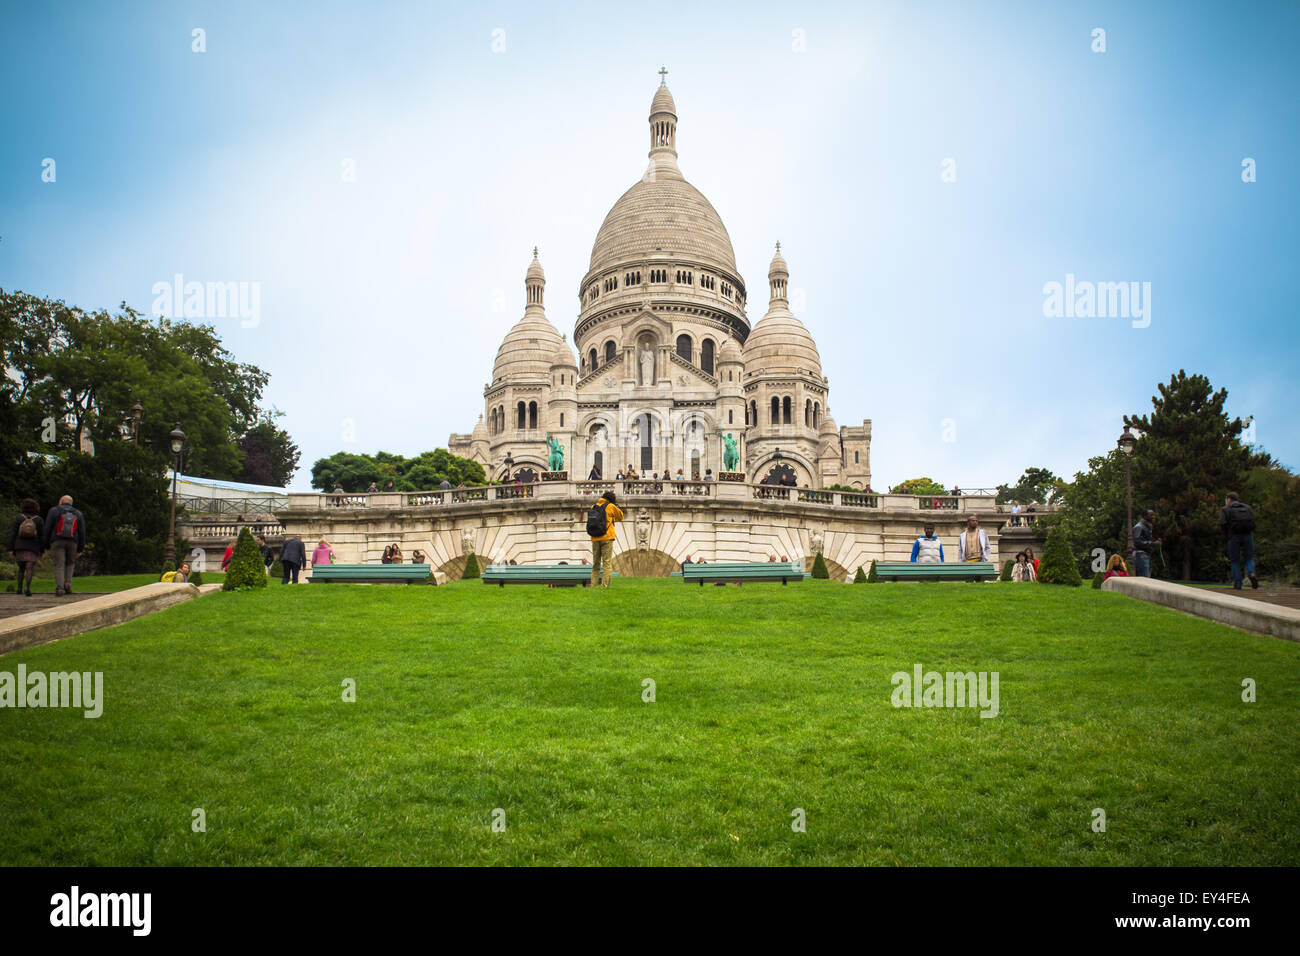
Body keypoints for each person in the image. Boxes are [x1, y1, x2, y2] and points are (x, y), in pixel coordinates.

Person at [43, 494, 86, 597]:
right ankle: (67, 583)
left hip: (57, 541)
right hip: (73, 542)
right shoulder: (78, 513)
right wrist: (80, 548)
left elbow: (47, 528)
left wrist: (46, 546)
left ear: (61, 501)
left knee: (59, 564)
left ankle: (60, 588)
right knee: (70, 563)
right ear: (71, 503)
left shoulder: (54, 511)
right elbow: (82, 532)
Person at [1219, 492, 1258, 590]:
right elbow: (1253, 522)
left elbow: (1222, 523)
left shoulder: (1225, 509)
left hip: (1234, 537)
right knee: (1249, 558)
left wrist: (1227, 535)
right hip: (1248, 535)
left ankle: (1238, 583)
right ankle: (1252, 573)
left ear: (1228, 499)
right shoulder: (1247, 508)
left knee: (1234, 561)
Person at [586, 490, 624, 588]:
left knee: (596, 564)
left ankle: (593, 585)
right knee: (607, 563)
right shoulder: (610, 506)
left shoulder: (593, 507)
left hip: (595, 538)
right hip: (607, 538)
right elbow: (620, 517)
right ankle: (605, 586)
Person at [8, 498, 45, 597]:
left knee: (21, 568)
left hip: (19, 546)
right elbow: (41, 536)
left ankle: (19, 588)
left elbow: (13, 534)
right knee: (29, 568)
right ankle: (27, 588)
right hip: (32, 547)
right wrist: (42, 550)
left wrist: (11, 548)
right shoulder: (38, 520)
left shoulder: (19, 518)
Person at [1132, 509, 1160, 578]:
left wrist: (1155, 543)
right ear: (1144, 516)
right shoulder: (1139, 527)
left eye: (1153, 515)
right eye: (1151, 515)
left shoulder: (1147, 526)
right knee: (1144, 579)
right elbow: (1137, 542)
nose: (1153, 517)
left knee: (1147, 578)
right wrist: (1153, 543)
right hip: (1140, 555)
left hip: (1146, 555)